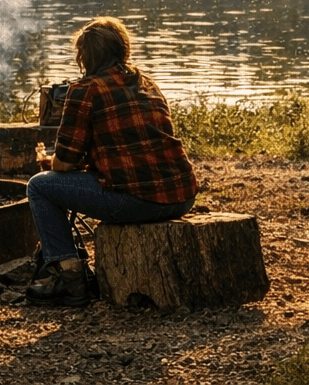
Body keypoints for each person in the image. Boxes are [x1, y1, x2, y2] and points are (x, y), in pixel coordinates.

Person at [25, 17, 198, 306]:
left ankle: (71, 280)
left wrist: (48, 160)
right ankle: (71, 273)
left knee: (39, 187)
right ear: (123, 49)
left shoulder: (84, 90)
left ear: (85, 57)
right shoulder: (147, 82)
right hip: (182, 195)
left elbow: (64, 165)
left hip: (138, 200)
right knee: (64, 183)